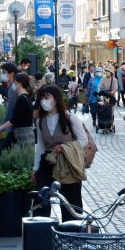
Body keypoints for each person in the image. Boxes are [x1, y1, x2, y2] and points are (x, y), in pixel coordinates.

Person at [31, 84, 87, 223]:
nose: (44, 101)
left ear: (56, 99)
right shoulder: (40, 121)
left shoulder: (70, 118)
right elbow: (41, 146)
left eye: (47, 97)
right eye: (42, 98)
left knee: (70, 199)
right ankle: (40, 228)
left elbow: (83, 140)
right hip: (48, 160)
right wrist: (35, 168)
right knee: (41, 196)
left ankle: (72, 231)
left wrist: (65, 148)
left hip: (68, 162)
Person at [0, 73, 34, 145]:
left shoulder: (22, 99)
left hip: (22, 135)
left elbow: (14, 119)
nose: (13, 84)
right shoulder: (26, 97)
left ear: (18, 83)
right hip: (26, 134)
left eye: (14, 82)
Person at [0, 62, 19, 151]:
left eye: (4, 72)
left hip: (14, 128)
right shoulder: (13, 86)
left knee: (2, 153)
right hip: (14, 127)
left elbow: (10, 112)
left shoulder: (13, 89)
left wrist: (0, 128)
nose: (2, 74)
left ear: (12, 73)